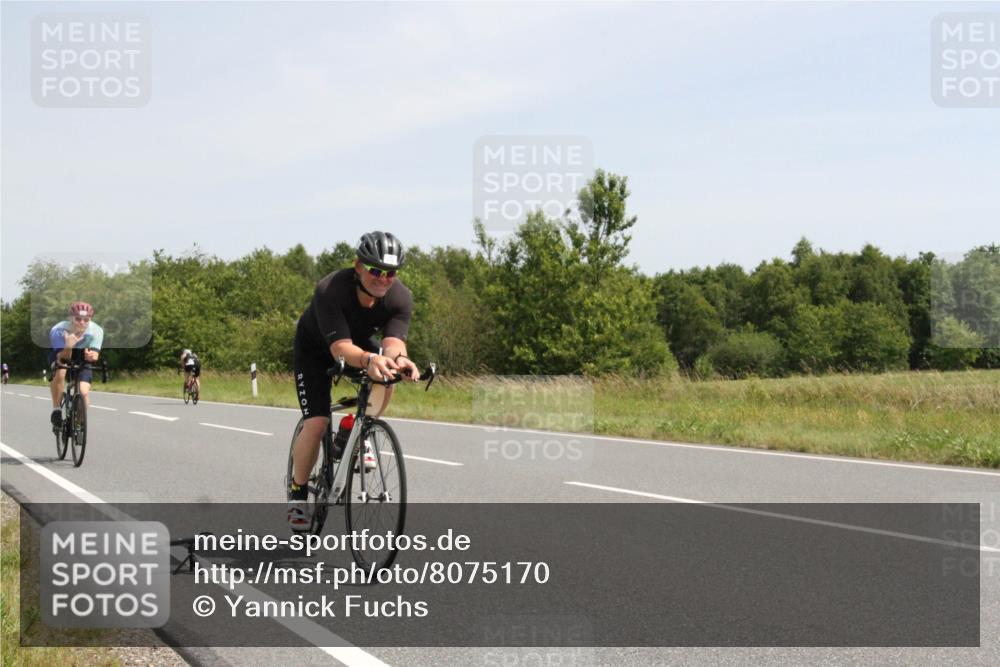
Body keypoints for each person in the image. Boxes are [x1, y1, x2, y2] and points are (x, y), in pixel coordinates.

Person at [287, 231, 419, 530]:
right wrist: (371, 360)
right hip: (316, 351)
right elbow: (340, 349)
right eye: (375, 270)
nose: (383, 278)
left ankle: (354, 432)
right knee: (317, 422)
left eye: (391, 273)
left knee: (387, 376)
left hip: (357, 347)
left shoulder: (400, 297)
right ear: (358, 265)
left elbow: (394, 342)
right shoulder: (331, 289)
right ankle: (297, 492)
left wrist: (400, 360)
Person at [49, 302, 104, 430]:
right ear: (70, 318)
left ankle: (78, 422)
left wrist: (93, 355)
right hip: (62, 352)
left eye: (86, 320)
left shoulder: (97, 330)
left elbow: (95, 354)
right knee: (61, 371)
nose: (82, 323)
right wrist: (68, 345)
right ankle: (56, 410)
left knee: (84, 392)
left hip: (81, 355)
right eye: (78, 319)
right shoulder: (58, 330)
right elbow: (62, 358)